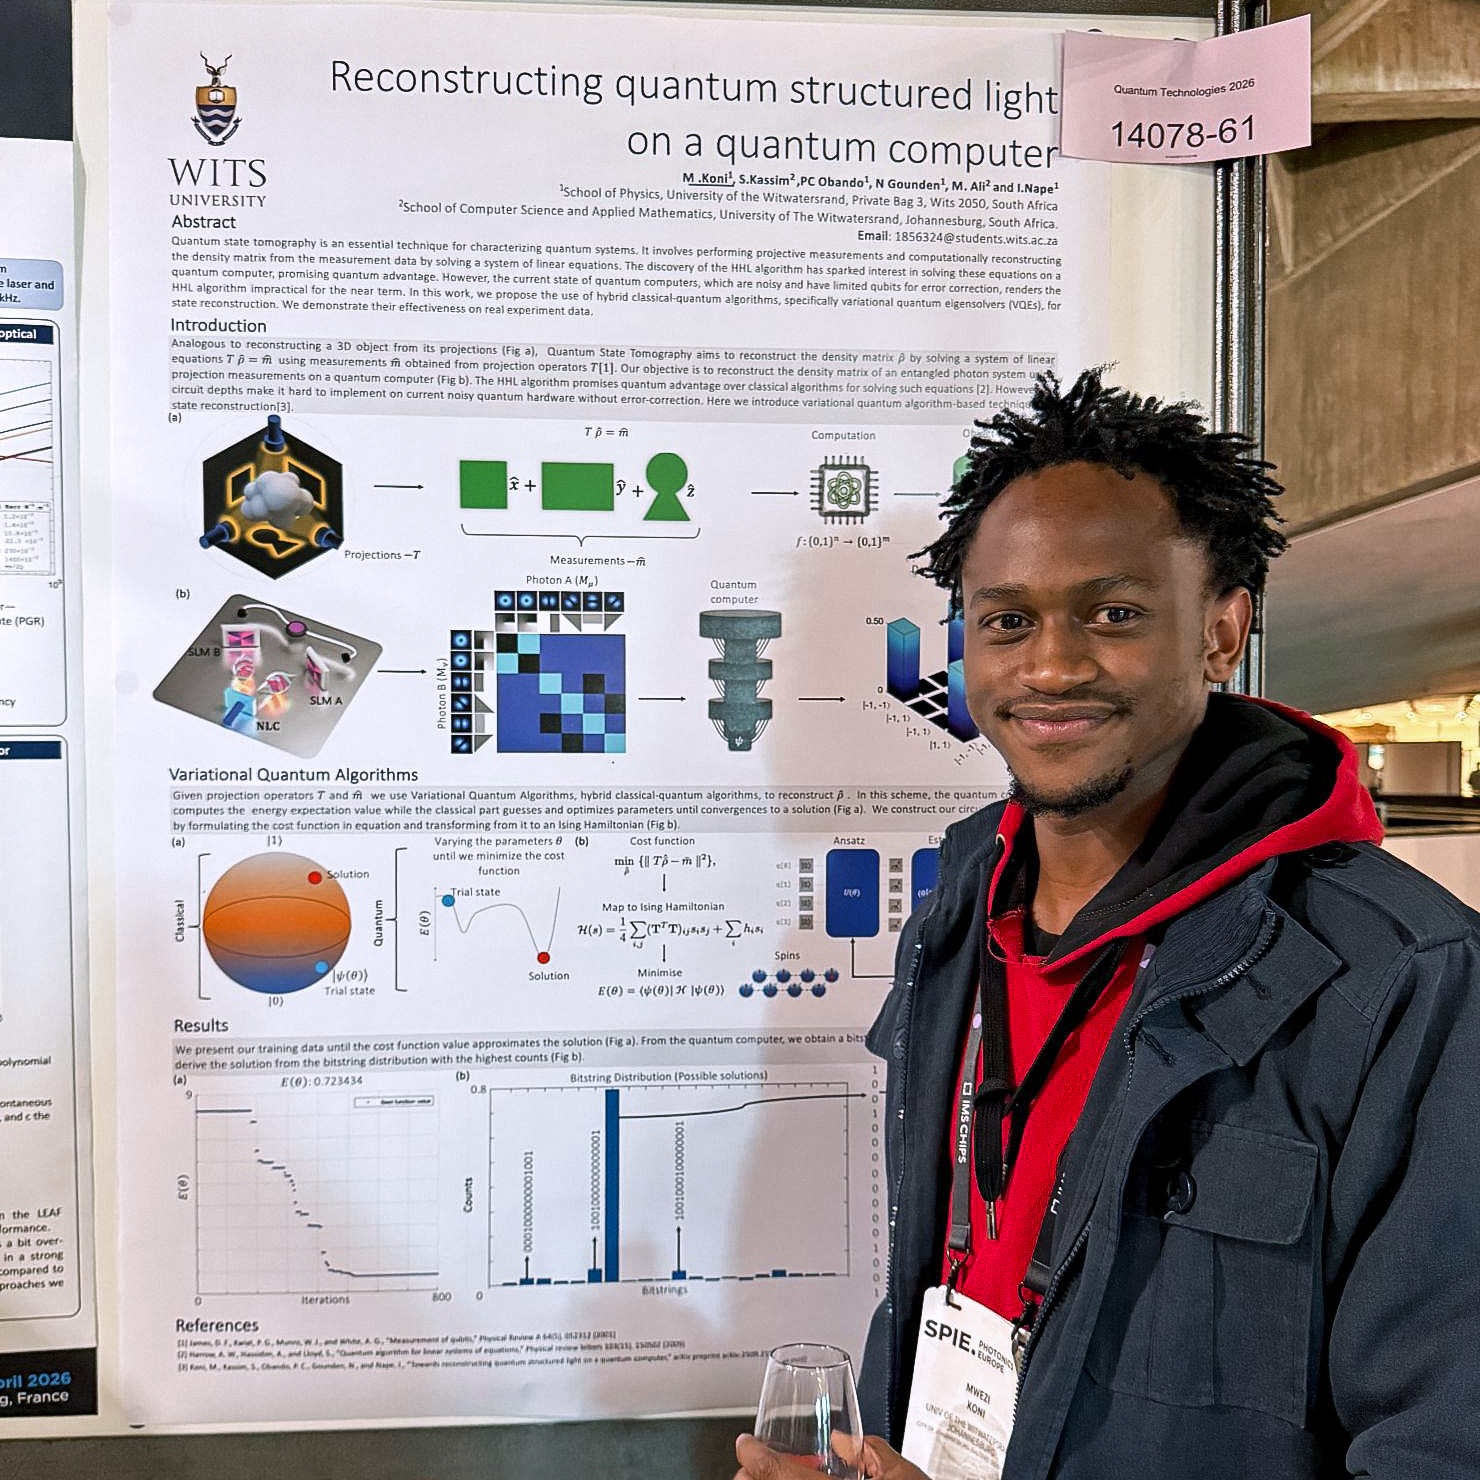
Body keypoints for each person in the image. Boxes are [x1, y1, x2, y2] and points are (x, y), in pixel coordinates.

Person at [735, 370, 1480, 1480]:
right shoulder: (958, 914)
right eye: (1007, 620)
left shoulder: (1398, 977)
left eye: (1113, 614)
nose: (1050, 664)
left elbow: (1439, 1447)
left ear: (1222, 631)